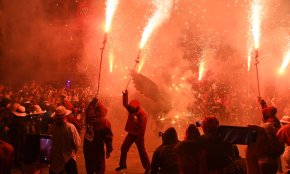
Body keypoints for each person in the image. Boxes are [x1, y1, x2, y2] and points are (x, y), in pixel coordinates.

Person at [115, 90, 150, 174]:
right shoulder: (131, 109)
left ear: (136, 108)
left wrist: (139, 138)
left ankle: (148, 167)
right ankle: (123, 164)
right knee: (124, 148)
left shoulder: (142, 114)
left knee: (142, 151)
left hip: (138, 135)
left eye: (131, 108)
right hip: (131, 133)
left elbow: (142, 128)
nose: (130, 109)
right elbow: (125, 104)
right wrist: (125, 94)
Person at [83, 98, 113, 174]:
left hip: (87, 147)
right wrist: (109, 149)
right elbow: (108, 137)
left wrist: (93, 102)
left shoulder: (88, 118)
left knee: (89, 168)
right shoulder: (105, 122)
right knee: (99, 168)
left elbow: (88, 111)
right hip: (97, 148)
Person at [48, 105, 81, 174]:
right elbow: (77, 143)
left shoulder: (51, 129)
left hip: (55, 161)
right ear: (65, 116)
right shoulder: (70, 127)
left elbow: (48, 146)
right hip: (68, 160)